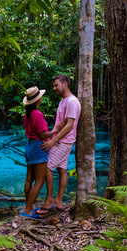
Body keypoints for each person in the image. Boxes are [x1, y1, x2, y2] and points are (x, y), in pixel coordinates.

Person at [37, 74, 81, 215]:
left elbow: (69, 125)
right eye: (54, 85)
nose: (54, 88)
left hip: (63, 142)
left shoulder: (72, 102)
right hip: (62, 141)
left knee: (46, 168)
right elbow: (62, 124)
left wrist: (53, 141)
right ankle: (59, 201)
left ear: (65, 84)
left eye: (56, 85)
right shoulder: (63, 101)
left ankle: (49, 200)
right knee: (62, 170)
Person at [21, 86, 66, 220]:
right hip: (38, 147)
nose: (41, 98)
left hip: (29, 146)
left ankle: (28, 206)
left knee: (29, 179)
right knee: (40, 181)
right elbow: (42, 135)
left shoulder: (27, 115)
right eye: (40, 96)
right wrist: (56, 130)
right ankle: (27, 210)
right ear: (37, 100)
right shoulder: (37, 114)